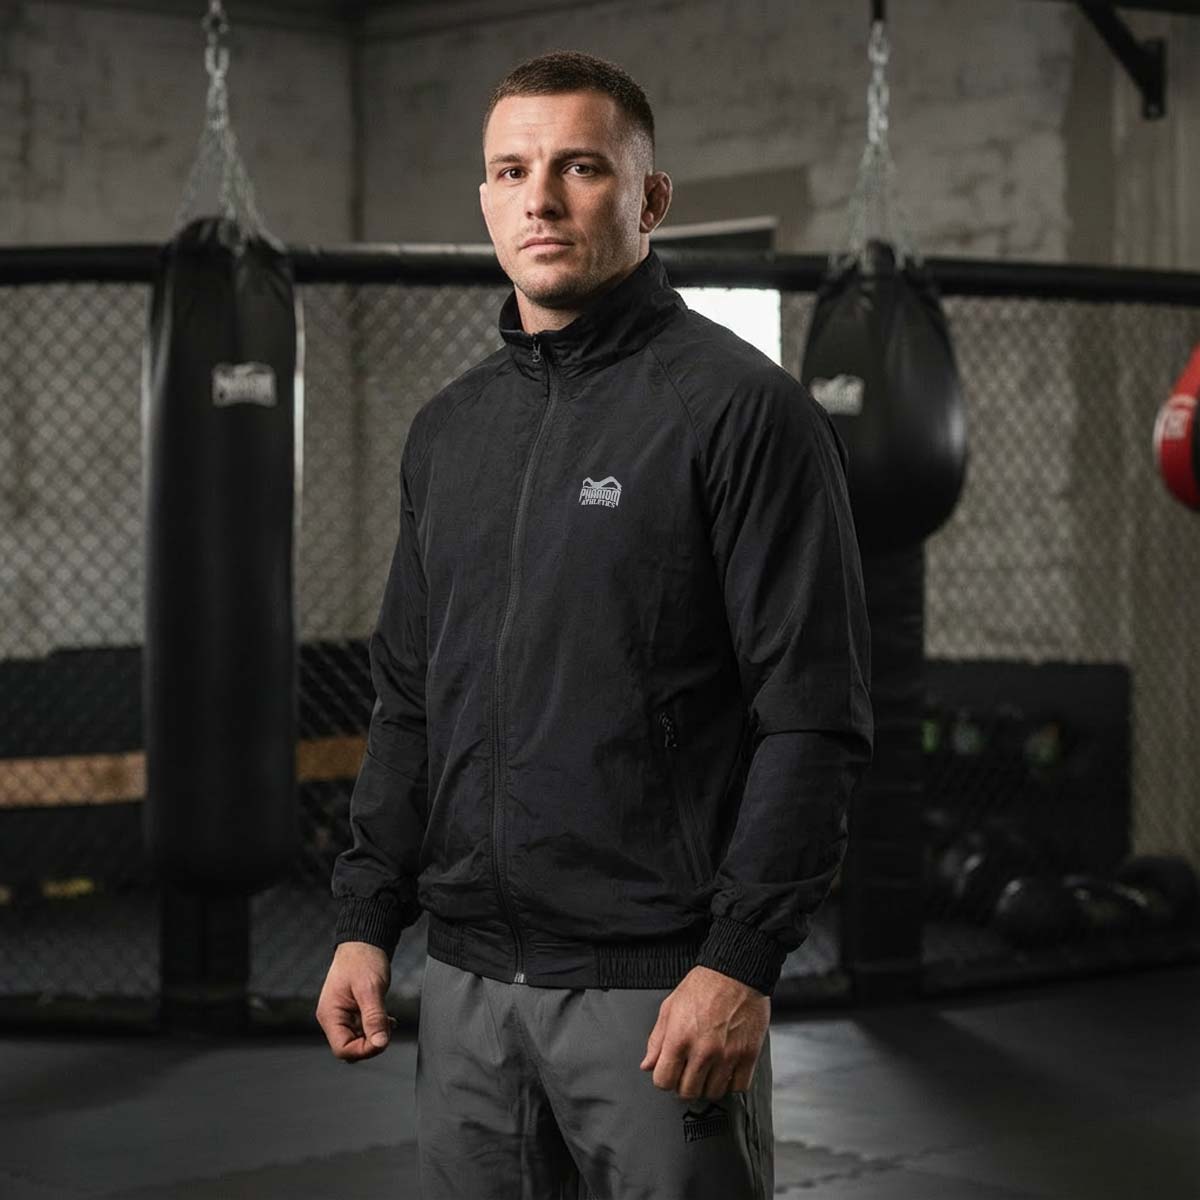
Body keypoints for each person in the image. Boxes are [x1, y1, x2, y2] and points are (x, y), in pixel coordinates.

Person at [316, 49, 873, 1200]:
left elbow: (810, 715)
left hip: (658, 993)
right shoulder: (449, 432)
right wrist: (367, 919)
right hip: (467, 989)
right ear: (484, 198)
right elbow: (410, 700)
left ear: (650, 198)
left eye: (580, 167)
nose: (541, 199)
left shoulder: (740, 412)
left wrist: (740, 961)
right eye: (510, 171)